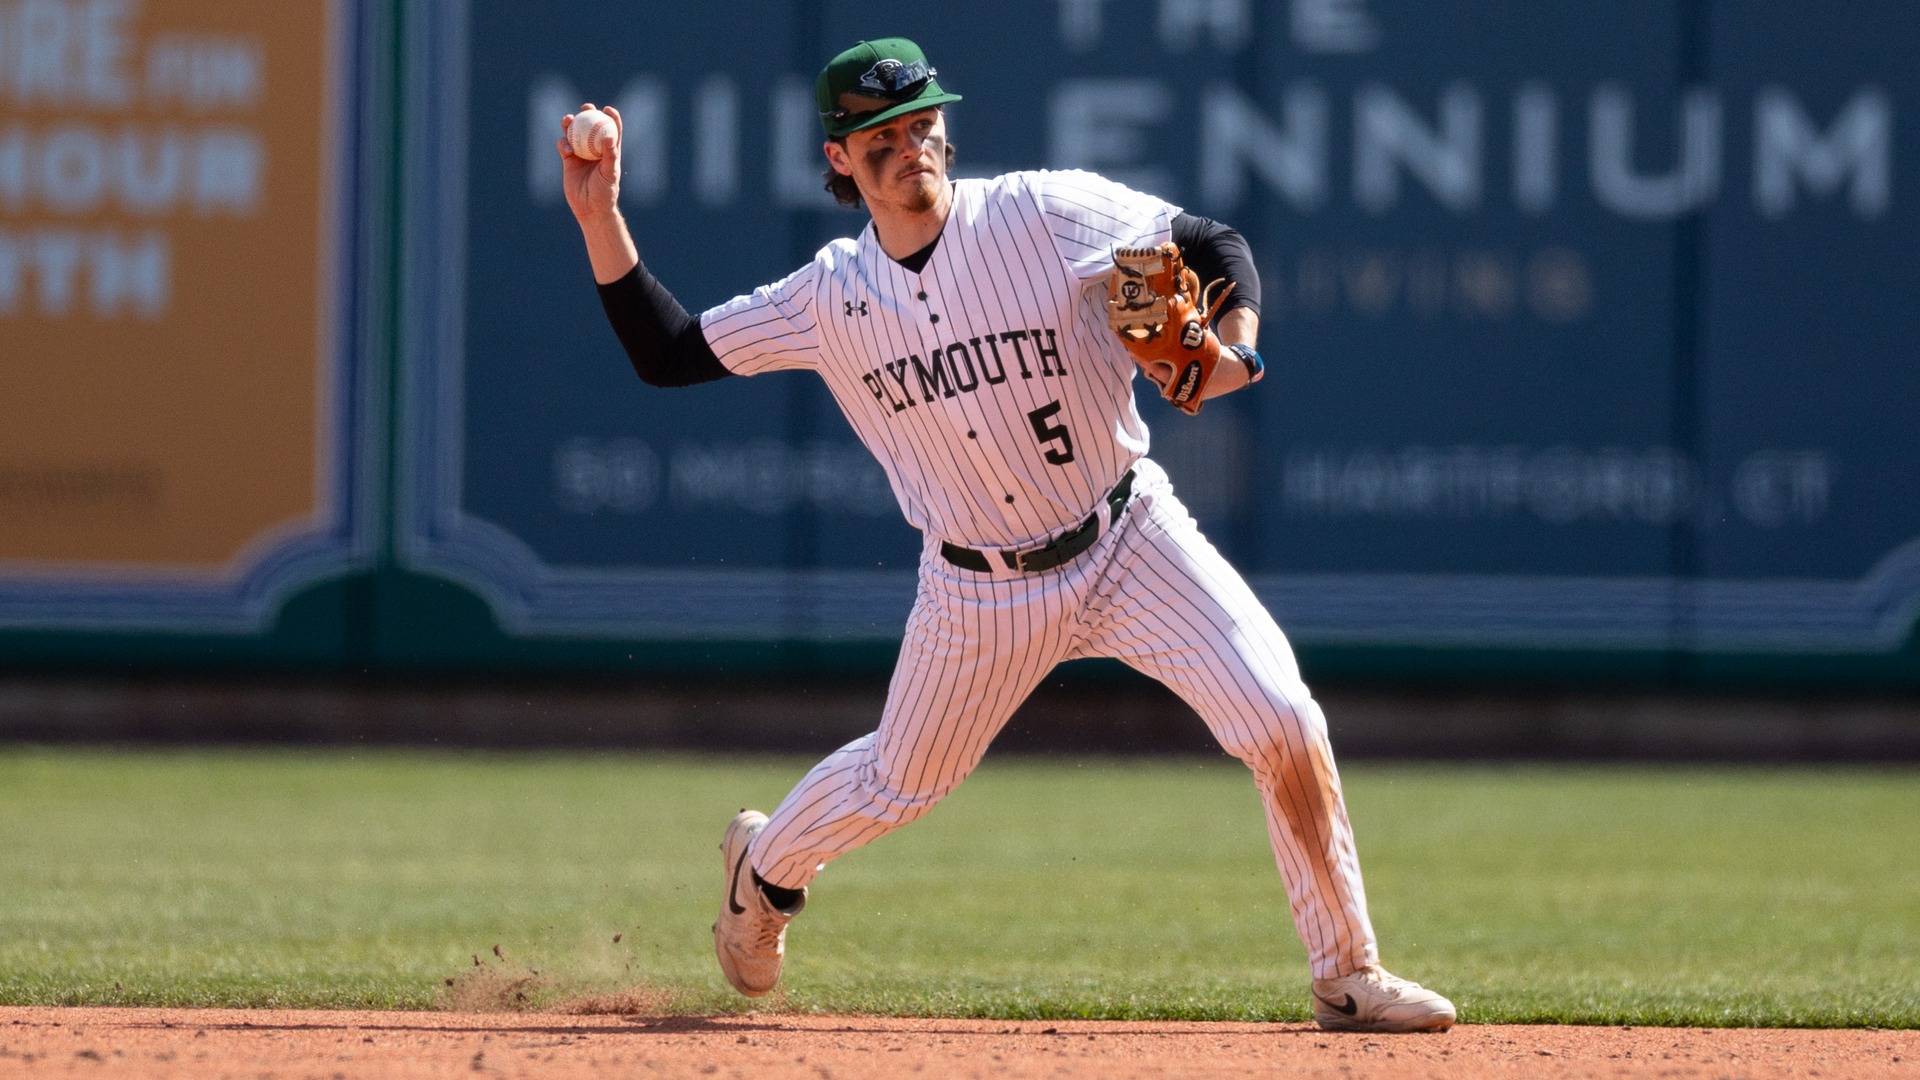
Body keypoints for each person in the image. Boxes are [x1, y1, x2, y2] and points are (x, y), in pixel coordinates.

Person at [558, 37, 1454, 1034]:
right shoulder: (829, 297)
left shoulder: (1039, 210)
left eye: (922, 122)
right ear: (841, 160)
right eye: (881, 135)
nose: (912, 146)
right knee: (899, 784)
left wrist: (1233, 349)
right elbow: (668, 352)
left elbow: (1209, 242)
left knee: (1283, 719)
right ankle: (763, 873)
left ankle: (1346, 976)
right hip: (978, 589)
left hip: (1128, 532)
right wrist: (601, 218)